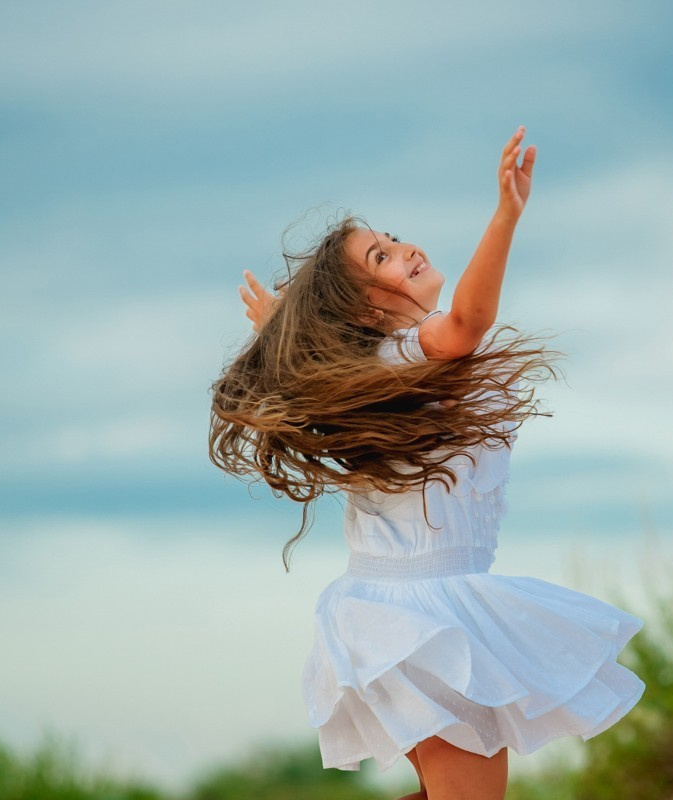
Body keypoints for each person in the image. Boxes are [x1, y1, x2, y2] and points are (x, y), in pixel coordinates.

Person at [210, 127, 644, 800]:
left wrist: (285, 337)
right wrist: (505, 215)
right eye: (381, 257)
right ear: (365, 308)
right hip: (422, 621)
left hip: (402, 613)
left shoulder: (383, 372)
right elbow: (466, 322)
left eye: (391, 238)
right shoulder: (413, 351)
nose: (404, 249)